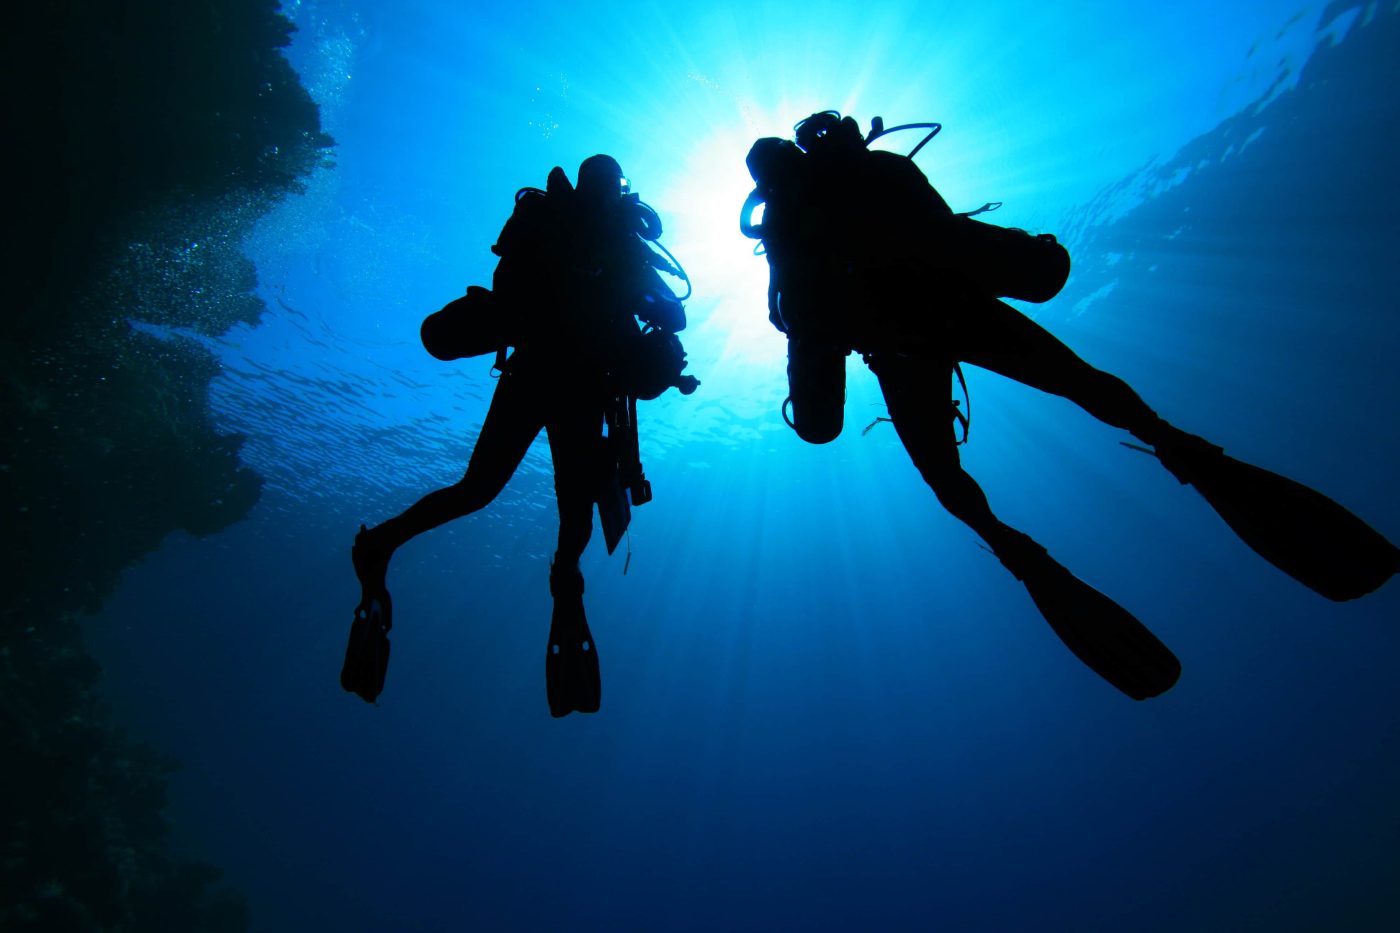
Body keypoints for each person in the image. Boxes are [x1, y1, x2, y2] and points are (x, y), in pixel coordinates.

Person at [741, 111, 1398, 700]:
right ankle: (1175, 443)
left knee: (949, 481)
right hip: (959, 308)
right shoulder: (871, 172)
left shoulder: (785, 229)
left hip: (902, 353)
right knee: (1084, 385)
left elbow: (808, 345)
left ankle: (1016, 548)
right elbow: (943, 237)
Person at [343, 155, 698, 715]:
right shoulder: (616, 239)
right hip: (576, 384)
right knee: (567, 510)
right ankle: (565, 576)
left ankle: (381, 544)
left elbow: (507, 286)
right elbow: (673, 317)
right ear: (619, 189)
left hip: (536, 374)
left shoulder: (554, 222)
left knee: (479, 491)